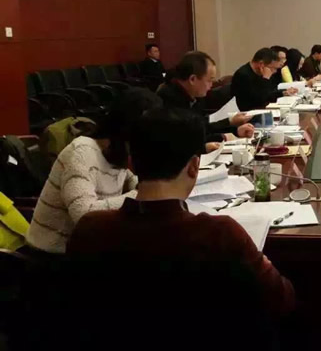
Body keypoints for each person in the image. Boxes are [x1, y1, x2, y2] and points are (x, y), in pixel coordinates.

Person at [67, 108, 296, 318]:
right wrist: (263, 262)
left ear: (131, 165)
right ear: (194, 166)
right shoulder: (221, 234)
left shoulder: (90, 229)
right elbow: (282, 299)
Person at [25, 88, 162, 254]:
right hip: (53, 253)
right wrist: (141, 194)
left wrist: (151, 187)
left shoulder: (117, 153)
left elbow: (134, 181)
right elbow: (84, 215)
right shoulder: (82, 152)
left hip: (89, 246)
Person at [158, 51, 254, 145]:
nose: (211, 85)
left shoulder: (191, 96)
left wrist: (235, 131)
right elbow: (188, 138)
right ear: (192, 79)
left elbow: (202, 124)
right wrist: (222, 137)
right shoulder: (168, 100)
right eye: (209, 80)